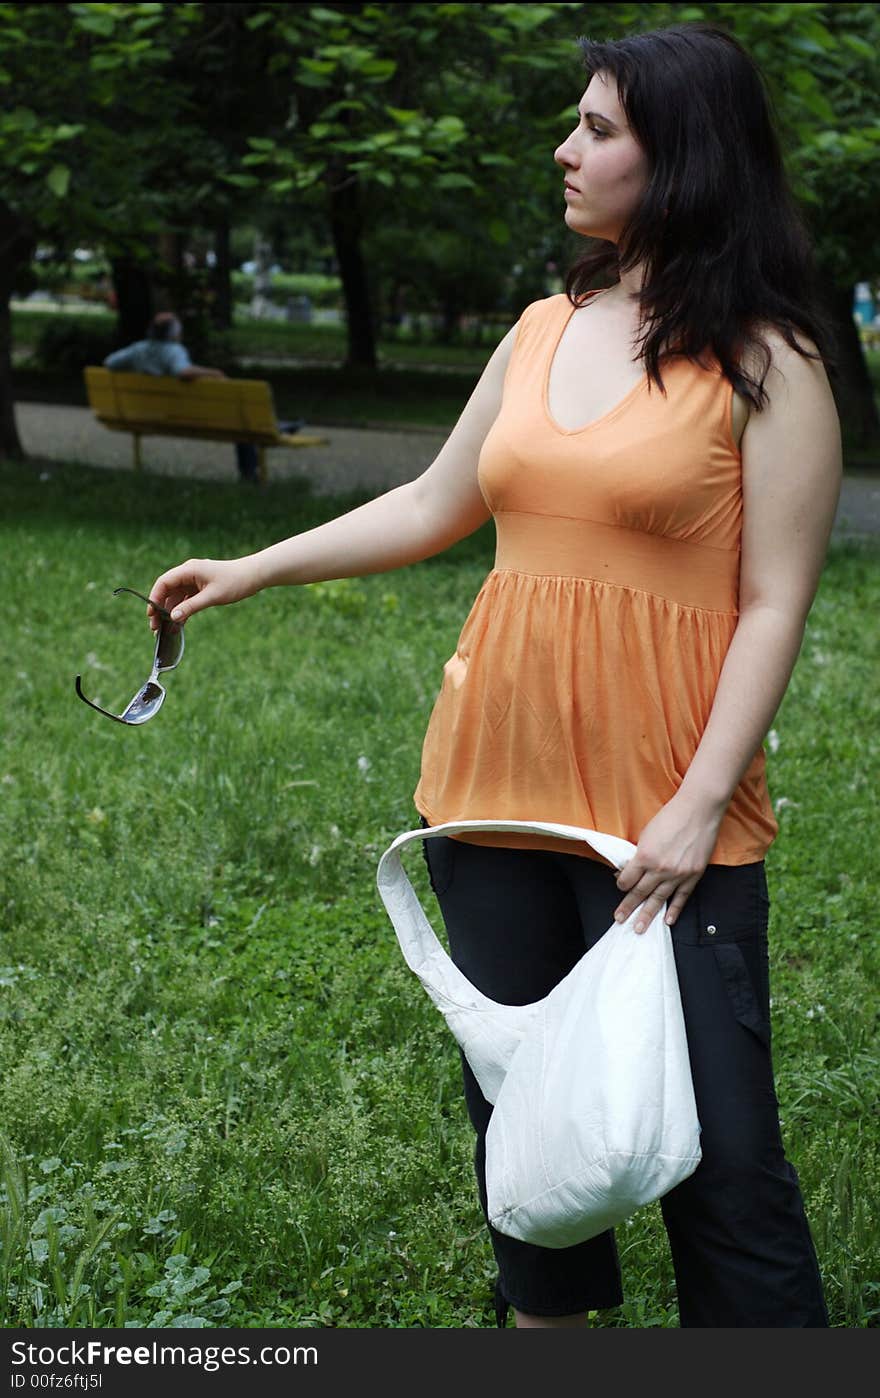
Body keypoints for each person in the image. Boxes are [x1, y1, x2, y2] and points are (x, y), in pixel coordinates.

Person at [146, 21, 842, 1328]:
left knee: (727, 1168)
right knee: (528, 1136)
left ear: (681, 157)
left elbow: (773, 601)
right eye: (574, 121)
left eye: (597, 128)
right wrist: (249, 566)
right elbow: (430, 499)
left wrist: (696, 807)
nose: (564, 148)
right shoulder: (540, 326)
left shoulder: (770, 358)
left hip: (661, 820)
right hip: (492, 794)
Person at [103, 311, 302, 482]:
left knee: (242, 420)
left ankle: (276, 425)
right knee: (243, 425)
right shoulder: (173, 351)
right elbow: (182, 372)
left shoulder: (139, 349)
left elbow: (110, 362)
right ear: (173, 332)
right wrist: (213, 373)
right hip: (183, 416)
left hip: (145, 413)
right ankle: (254, 466)